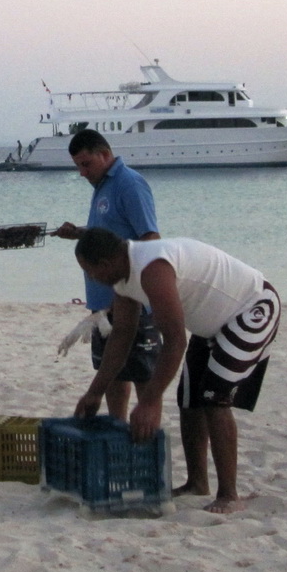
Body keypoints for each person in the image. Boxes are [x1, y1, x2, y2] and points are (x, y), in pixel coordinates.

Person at [73, 227, 281, 514]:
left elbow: (175, 341)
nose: (91, 278)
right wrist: (94, 392)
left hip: (253, 306)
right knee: (189, 399)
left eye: (90, 271)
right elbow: (121, 336)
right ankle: (197, 483)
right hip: (211, 325)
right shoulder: (124, 281)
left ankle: (229, 495)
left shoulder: (153, 268)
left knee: (214, 398)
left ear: (105, 264)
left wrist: (149, 401)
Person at [52, 129, 161, 422]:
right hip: (101, 303)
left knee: (142, 373)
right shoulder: (102, 186)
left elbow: (150, 239)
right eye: (78, 166)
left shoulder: (129, 184)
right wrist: (79, 233)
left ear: (104, 154)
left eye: (86, 164)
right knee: (111, 372)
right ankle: (117, 428)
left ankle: (146, 432)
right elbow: (110, 237)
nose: (82, 172)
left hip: (131, 300)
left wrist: (136, 289)